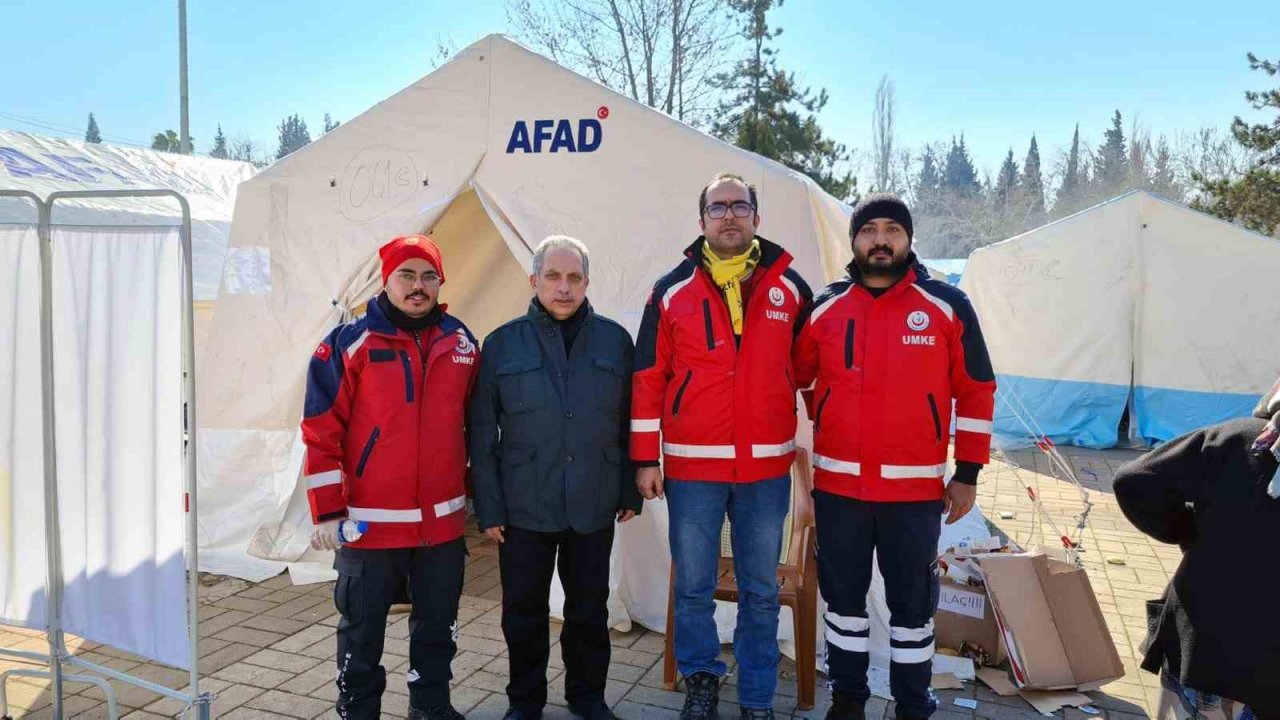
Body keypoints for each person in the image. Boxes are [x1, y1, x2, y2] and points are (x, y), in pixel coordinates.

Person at [792, 194, 996, 720]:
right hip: (839, 492)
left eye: (892, 230)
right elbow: (802, 378)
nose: (880, 240)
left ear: (908, 239)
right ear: (854, 240)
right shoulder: (824, 308)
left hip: (914, 494)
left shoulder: (948, 306)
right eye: (869, 230)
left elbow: (975, 391)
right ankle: (848, 701)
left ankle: (912, 704)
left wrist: (968, 472)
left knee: (912, 611)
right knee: (844, 606)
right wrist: (831, 413)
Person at [631, 173, 813, 720]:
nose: (729, 215)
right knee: (693, 586)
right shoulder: (670, 291)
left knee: (759, 589)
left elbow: (808, 374)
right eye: (718, 207)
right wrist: (645, 457)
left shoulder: (791, 288)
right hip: (693, 469)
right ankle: (702, 681)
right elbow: (648, 378)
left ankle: (757, 695)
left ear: (757, 216)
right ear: (701, 220)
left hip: (765, 471)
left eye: (740, 206)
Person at [302, 234, 478, 720]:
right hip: (369, 525)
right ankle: (358, 711)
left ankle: (431, 706)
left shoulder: (463, 343)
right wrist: (328, 512)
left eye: (428, 276)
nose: (418, 286)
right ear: (387, 279)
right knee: (362, 629)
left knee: (437, 627)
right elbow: (321, 431)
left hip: (440, 526)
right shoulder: (347, 343)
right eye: (407, 275)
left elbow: (478, 426)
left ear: (441, 281)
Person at [469, 235, 642, 720]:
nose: (563, 288)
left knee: (589, 611)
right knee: (522, 614)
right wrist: (489, 506)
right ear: (534, 280)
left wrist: (628, 487)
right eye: (553, 276)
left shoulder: (614, 341)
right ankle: (525, 702)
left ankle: (587, 698)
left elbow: (631, 419)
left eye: (574, 278)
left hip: (593, 497)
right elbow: (482, 432)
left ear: (587, 282)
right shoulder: (501, 345)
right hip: (524, 504)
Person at [1113, 376, 1280, 719]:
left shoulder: (1239, 438)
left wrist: (1189, 532)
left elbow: (1135, 480)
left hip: (1202, 653)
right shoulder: (1244, 439)